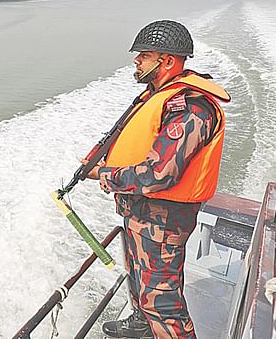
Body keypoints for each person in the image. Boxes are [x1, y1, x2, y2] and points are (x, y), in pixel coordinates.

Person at [85, 20, 230, 338]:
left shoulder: (191, 109)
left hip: (162, 224)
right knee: (138, 280)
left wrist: (104, 174)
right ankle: (140, 326)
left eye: (143, 55)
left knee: (163, 306)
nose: (136, 60)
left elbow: (159, 174)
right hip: (140, 215)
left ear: (166, 60)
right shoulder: (158, 96)